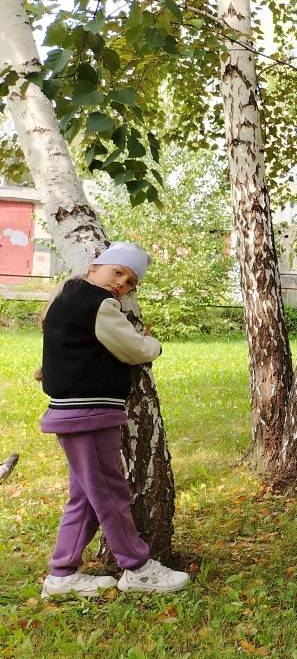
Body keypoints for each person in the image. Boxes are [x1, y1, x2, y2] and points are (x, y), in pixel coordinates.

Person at [38, 243, 190, 597]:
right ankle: (137, 569)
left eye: (130, 282)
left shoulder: (66, 298)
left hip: (72, 411)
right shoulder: (99, 303)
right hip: (88, 413)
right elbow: (132, 348)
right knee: (109, 492)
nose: (121, 284)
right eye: (118, 272)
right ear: (96, 267)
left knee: (86, 496)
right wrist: (153, 345)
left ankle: (62, 575)